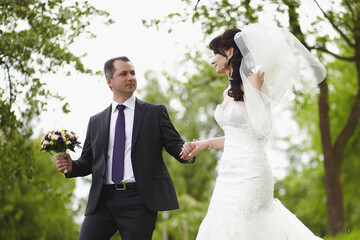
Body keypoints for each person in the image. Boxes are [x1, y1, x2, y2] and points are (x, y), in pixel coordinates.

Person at [181, 23, 326, 239]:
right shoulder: (226, 92)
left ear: (230, 52)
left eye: (215, 54)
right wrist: (205, 144)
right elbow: (237, 134)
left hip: (252, 170)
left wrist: (255, 91)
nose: (212, 60)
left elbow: (261, 129)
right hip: (228, 174)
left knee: (249, 224)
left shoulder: (254, 82)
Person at [55, 56, 196, 240]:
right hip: (102, 201)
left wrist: (186, 151)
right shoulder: (96, 121)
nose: (130, 77)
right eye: (124, 74)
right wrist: (72, 165)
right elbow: (89, 161)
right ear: (110, 81)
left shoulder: (155, 113)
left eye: (133, 73)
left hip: (139, 199)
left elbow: (174, 144)